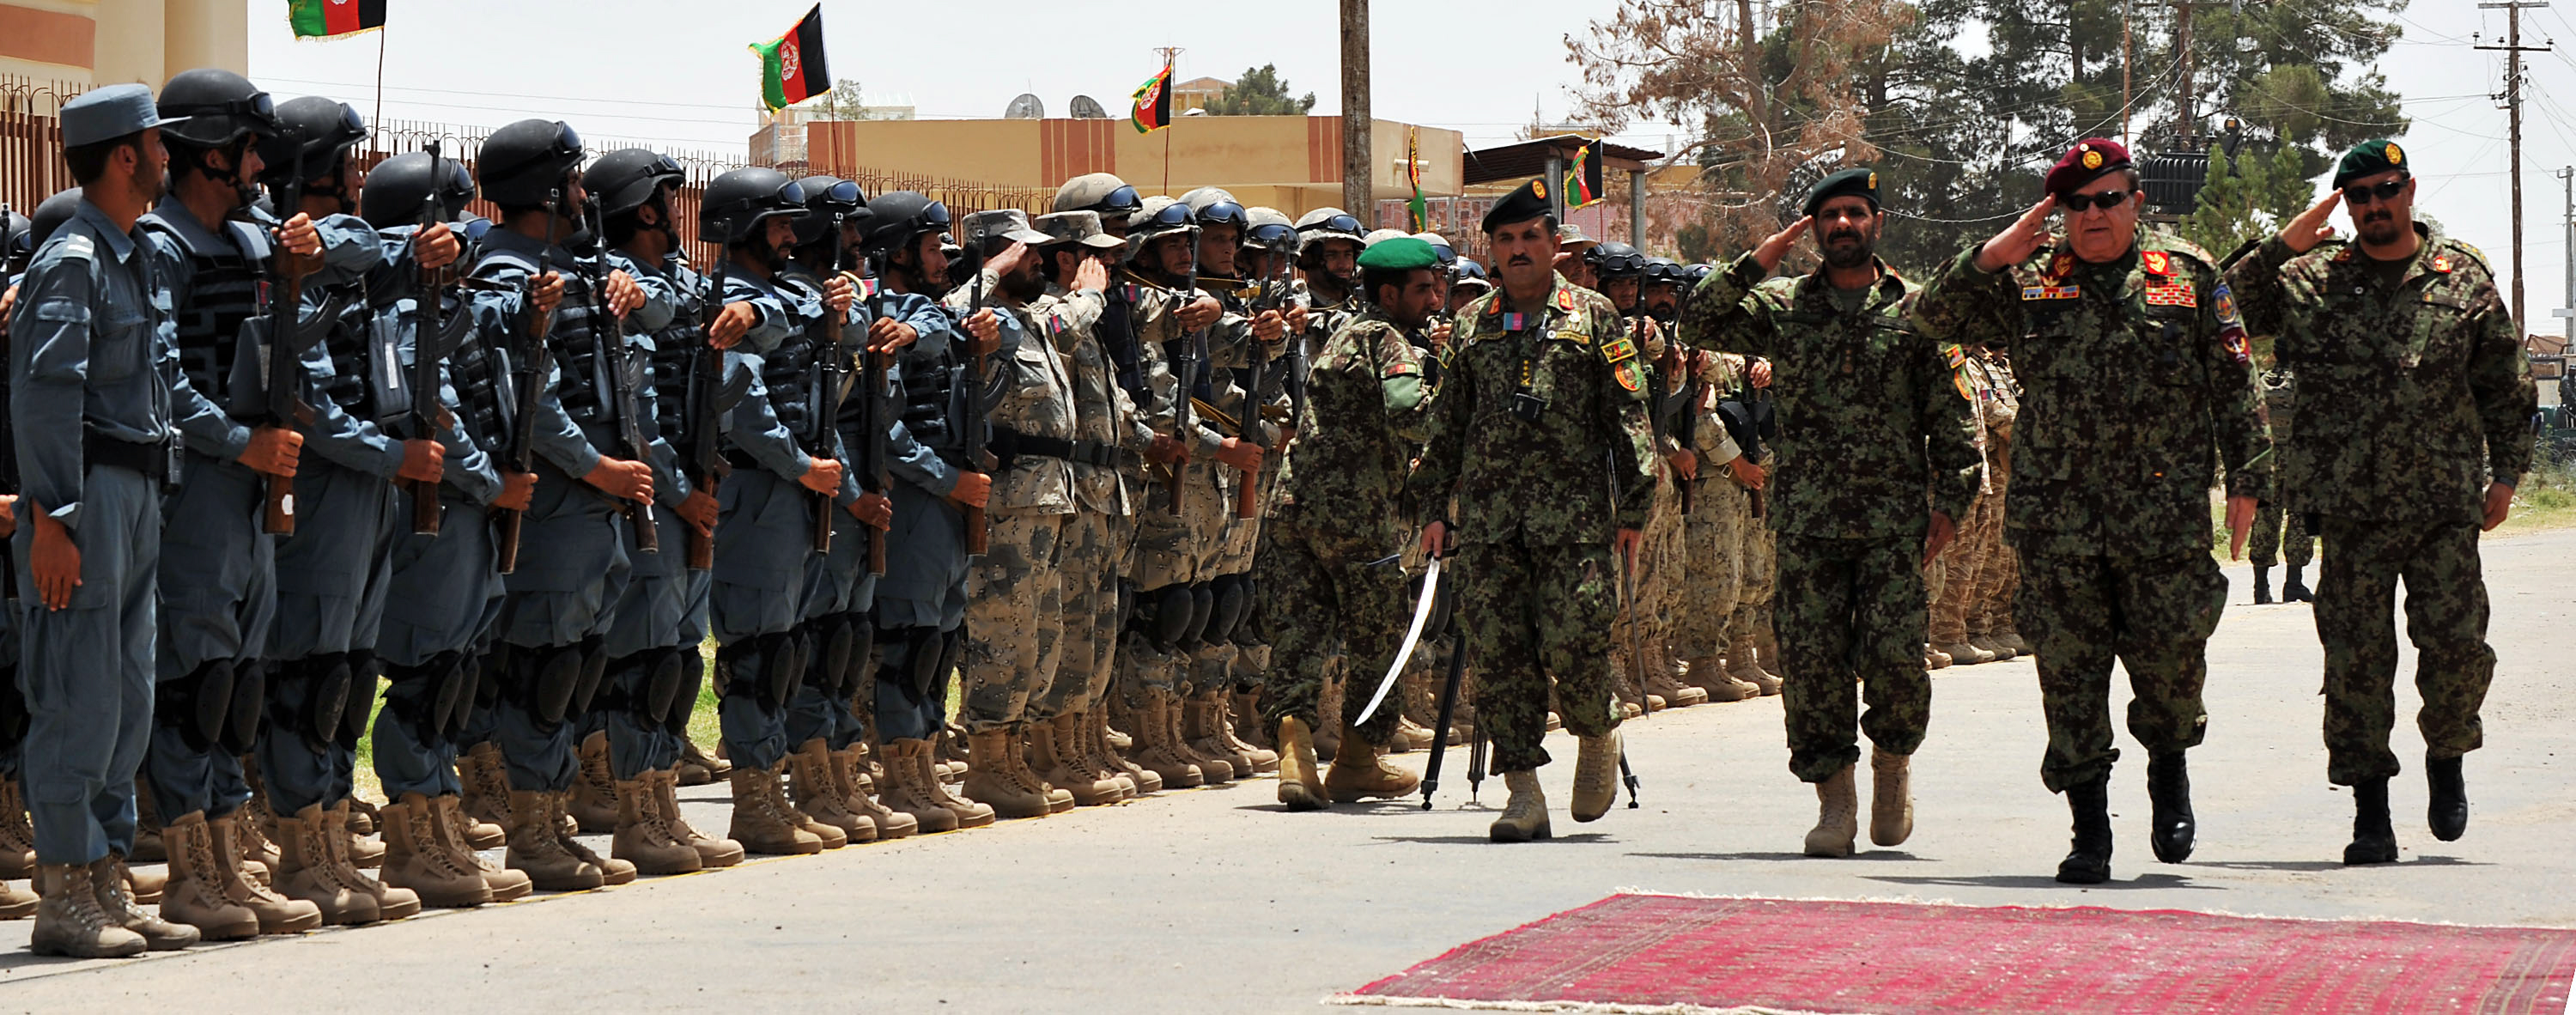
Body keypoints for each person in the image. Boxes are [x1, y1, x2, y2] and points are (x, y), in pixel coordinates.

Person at [1913, 138, 2271, 884]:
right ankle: (2089, 829)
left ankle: (2168, 774)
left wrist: (2250, 479)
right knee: (2069, 674)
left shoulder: (2190, 278)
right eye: (2076, 203)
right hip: (2058, 522)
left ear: (2136, 201)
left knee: (2172, 666)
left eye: (2107, 198)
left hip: (2162, 521)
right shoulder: (2029, 278)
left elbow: (2235, 383)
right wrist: (1992, 254)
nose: (2093, 214)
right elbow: (1929, 317)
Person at [2226, 140, 2534, 865]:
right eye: (2357, 195)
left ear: (2408, 190)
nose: (2372, 206)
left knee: (2457, 651)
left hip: (2443, 507)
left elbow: (2506, 383)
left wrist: (2508, 476)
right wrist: (2280, 245)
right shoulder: (2310, 279)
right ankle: (2370, 812)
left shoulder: (2463, 277)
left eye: (2384, 190)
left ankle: (2447, 758)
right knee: (2356, 665)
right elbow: (2220, 310)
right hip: (2350, 512)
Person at [1677, 167, 1980, 856]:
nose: (1841, 225)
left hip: (1893, 526)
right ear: (1812, 230)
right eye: (1827, 216)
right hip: (1809, 524)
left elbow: (1955, 420)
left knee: (1898, 659)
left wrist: (1953, 504)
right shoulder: (1784, 306)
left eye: (1854, 213)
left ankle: (1892, 766)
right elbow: (1696, 319)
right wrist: (1761, 258)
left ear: (1877, 221)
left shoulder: (1918, 310)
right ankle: (1834, 802)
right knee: (1812, 666)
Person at [131, 69, 326, 939]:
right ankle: (187, 869)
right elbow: (162, 381)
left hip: (258, 479)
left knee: (240, 678)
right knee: (196, 677)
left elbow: (291, 348)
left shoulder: (255, 242)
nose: (258, 163)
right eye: (248, 147)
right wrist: (237, 442)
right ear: (211, 151)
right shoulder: (161, 246)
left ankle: (226, 848)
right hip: (203, 482)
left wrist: (298, 277)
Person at [11, 82, 203, 957]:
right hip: (84, 496)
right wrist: (53, 518)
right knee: (78, 696)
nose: (169, 155)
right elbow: (47, 400)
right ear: (126, 155)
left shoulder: (134, 255)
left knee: (127, 696)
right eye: (158, 142)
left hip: (135, 495)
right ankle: (65, 893)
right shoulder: (75, 261)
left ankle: (107, 879)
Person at [1408, 178, 1655, 842]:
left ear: (1553, 245)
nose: (1518, 250)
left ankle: (1598, 734)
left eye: (1530, 238)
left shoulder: (1595, 316)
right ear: (1492, 251)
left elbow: (1627, 417)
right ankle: (1522, 793)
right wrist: (1434, 505)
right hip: (1489, 525)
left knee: (1576, 641)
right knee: (1500, 656)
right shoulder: (1471, 324)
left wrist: (1635, 506)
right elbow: (1445, 425)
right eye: (1506, 240)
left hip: (1573, 524)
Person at [249, 95, 430, 928]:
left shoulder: (342, 250)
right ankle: (298, 850)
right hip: (325, 487)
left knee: (352, 669)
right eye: (345, 163)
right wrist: (396, 458)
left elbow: (374, 240)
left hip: (372, 488)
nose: (360, 175)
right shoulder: (281, 258)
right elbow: (311, 402)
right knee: (311, 671)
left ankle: (327, 830)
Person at [467, 118, 655, 891]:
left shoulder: (572, 267)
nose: (585, 195)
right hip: (560, 500)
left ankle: (550, 819)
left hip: (596, 500)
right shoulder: (507, 275)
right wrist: (597, 467)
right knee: (544, 665)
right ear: (545, 190)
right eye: (573, 182)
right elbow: (528, 399)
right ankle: (530, 830)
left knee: (575, 664)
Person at [358, 149, 542, 907]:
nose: (467, 240)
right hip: (444, 512)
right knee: (428, 675)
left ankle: (440, 815)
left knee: (458, 672)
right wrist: (488, 482)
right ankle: (413, 837)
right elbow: (423, 410)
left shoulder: (460, 303)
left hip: (477, 509)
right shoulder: (407, 311)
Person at [696, 167, 854, 853]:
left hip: (794, 493)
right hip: (761, 493)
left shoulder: (777, 297)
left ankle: (777, 793)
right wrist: (801, 466)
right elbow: (743, 403)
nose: (794, 236)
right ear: (743, 228)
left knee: (787, 648)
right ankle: (753, 803)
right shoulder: (731, 301)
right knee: (759, 652)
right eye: (780, 224)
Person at [1260, 236, 1445, 809]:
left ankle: (1294, 752)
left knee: (1300, 632)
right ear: (1389, 294)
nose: (1434, 298)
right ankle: (1357, 758)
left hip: (1293, 507)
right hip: (1356, 516)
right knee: (1380, 633)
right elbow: (1412, 413)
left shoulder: (1342, 335)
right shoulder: (1387, 341)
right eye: (1422, 290)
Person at [858, 191, 998, 832]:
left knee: (941, 640)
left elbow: (951, 340)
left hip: (948, 495)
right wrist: (947, 482)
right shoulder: (876, 316)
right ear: (898, 251)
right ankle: (900, 776)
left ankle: (927, 764)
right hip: (920, 495)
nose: (944, 257)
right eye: (931, 245)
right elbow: (881, 430)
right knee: (911, 641)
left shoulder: (927, 315)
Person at [951, 208, 1097, 815]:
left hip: (1048, 499)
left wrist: (1090, 294)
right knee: (999, 634)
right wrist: (989, 271)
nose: (1038, 260)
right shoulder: (982, 318)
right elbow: (948, 317)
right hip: (1007, 503)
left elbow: (1073, 318)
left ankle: (1011, 756)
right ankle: (986, 762)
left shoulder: (1031, 320)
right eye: (1026, 252)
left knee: (1038, 635)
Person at [1028, 208, 1169, 797]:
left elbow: (1112, 402)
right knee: (1068, 624)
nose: (1112, 267)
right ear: (1068, 259)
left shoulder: (1094, 319)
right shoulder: (1050, 314)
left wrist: (1152, 440)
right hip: (1075, 488)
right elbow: (1055, 339)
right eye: (1100, 256)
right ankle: (1051, 750)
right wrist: (1087, 298)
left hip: (1105, 490)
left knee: (1098, 626)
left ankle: (1085, 742)